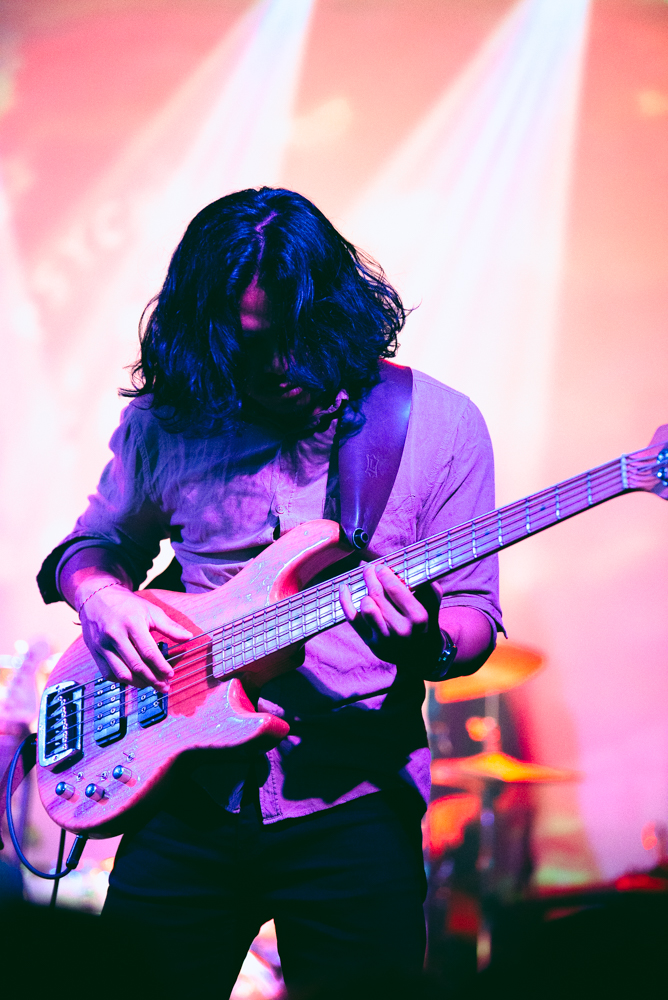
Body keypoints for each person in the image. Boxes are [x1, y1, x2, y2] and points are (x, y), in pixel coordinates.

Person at [38, 187, 503, 998]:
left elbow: (473, 617)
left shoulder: (441, 426)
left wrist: (421, 642)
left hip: (351, 800)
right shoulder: (172, 420)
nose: (279, 366)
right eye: (250, 346)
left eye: (296, 338)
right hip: (183, 800)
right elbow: (93, 546)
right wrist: (99, 597)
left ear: (335, 317)